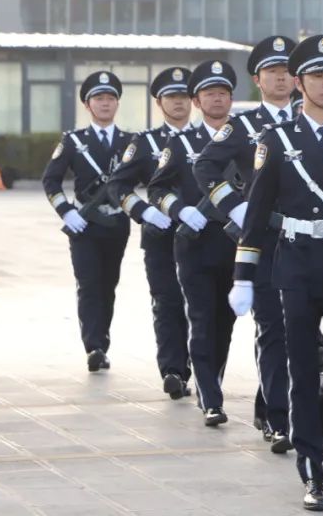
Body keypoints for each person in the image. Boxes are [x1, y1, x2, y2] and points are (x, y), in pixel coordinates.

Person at [227, 34, 323, 512]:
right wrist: (242, 273)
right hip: (294, 265)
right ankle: (314, 469)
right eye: (317, 75)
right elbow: (256, 214)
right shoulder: (275, 141)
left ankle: (305, 429)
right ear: (299, 82)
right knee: (299, 368)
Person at [194, 36, 297, 453]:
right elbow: (205, 166)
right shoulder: (244, 125)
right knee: (273, 327)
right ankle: (277, 417)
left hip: (310, 242)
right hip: (265, 240)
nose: (281, 77)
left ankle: (268, 402)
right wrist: (236, 209)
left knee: (299, 332)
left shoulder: (309, 121)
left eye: (287, 70)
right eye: (272, 71)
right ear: (258, 79)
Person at [148, 60, 240, 427]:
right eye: (209, 94)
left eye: (223, 93)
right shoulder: (182, 143)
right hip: (196, 244)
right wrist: (181, 211)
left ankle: (211, 380)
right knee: (201, 319)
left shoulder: (248, 139)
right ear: (198, 102)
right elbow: (157, 188)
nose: (217, 99)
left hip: (237, 244)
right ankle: (210, 397)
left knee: (226, 322)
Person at [107, 66, 191, 397]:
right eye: (172, 96)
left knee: (206, 307)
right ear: (159, 101)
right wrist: (143, 213)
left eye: (185, 96)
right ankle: (174, 370)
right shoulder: (145, 143)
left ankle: (209, 371)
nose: (180, 102)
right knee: (168, 302)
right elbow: (118, 185)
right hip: (162, 237)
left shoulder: (212, 137)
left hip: (204, 236)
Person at [42, 71, 132, 373]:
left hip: (117, 224)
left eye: (110, 98)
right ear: (87, 104)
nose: (105, 104)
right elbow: (51, 180)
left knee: (108, 285)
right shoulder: (73, 141)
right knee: (89, 284)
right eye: (99, 98)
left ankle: (101, 338)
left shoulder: (130, 142)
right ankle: (94, 346)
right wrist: (66, 211)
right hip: (85, 225)